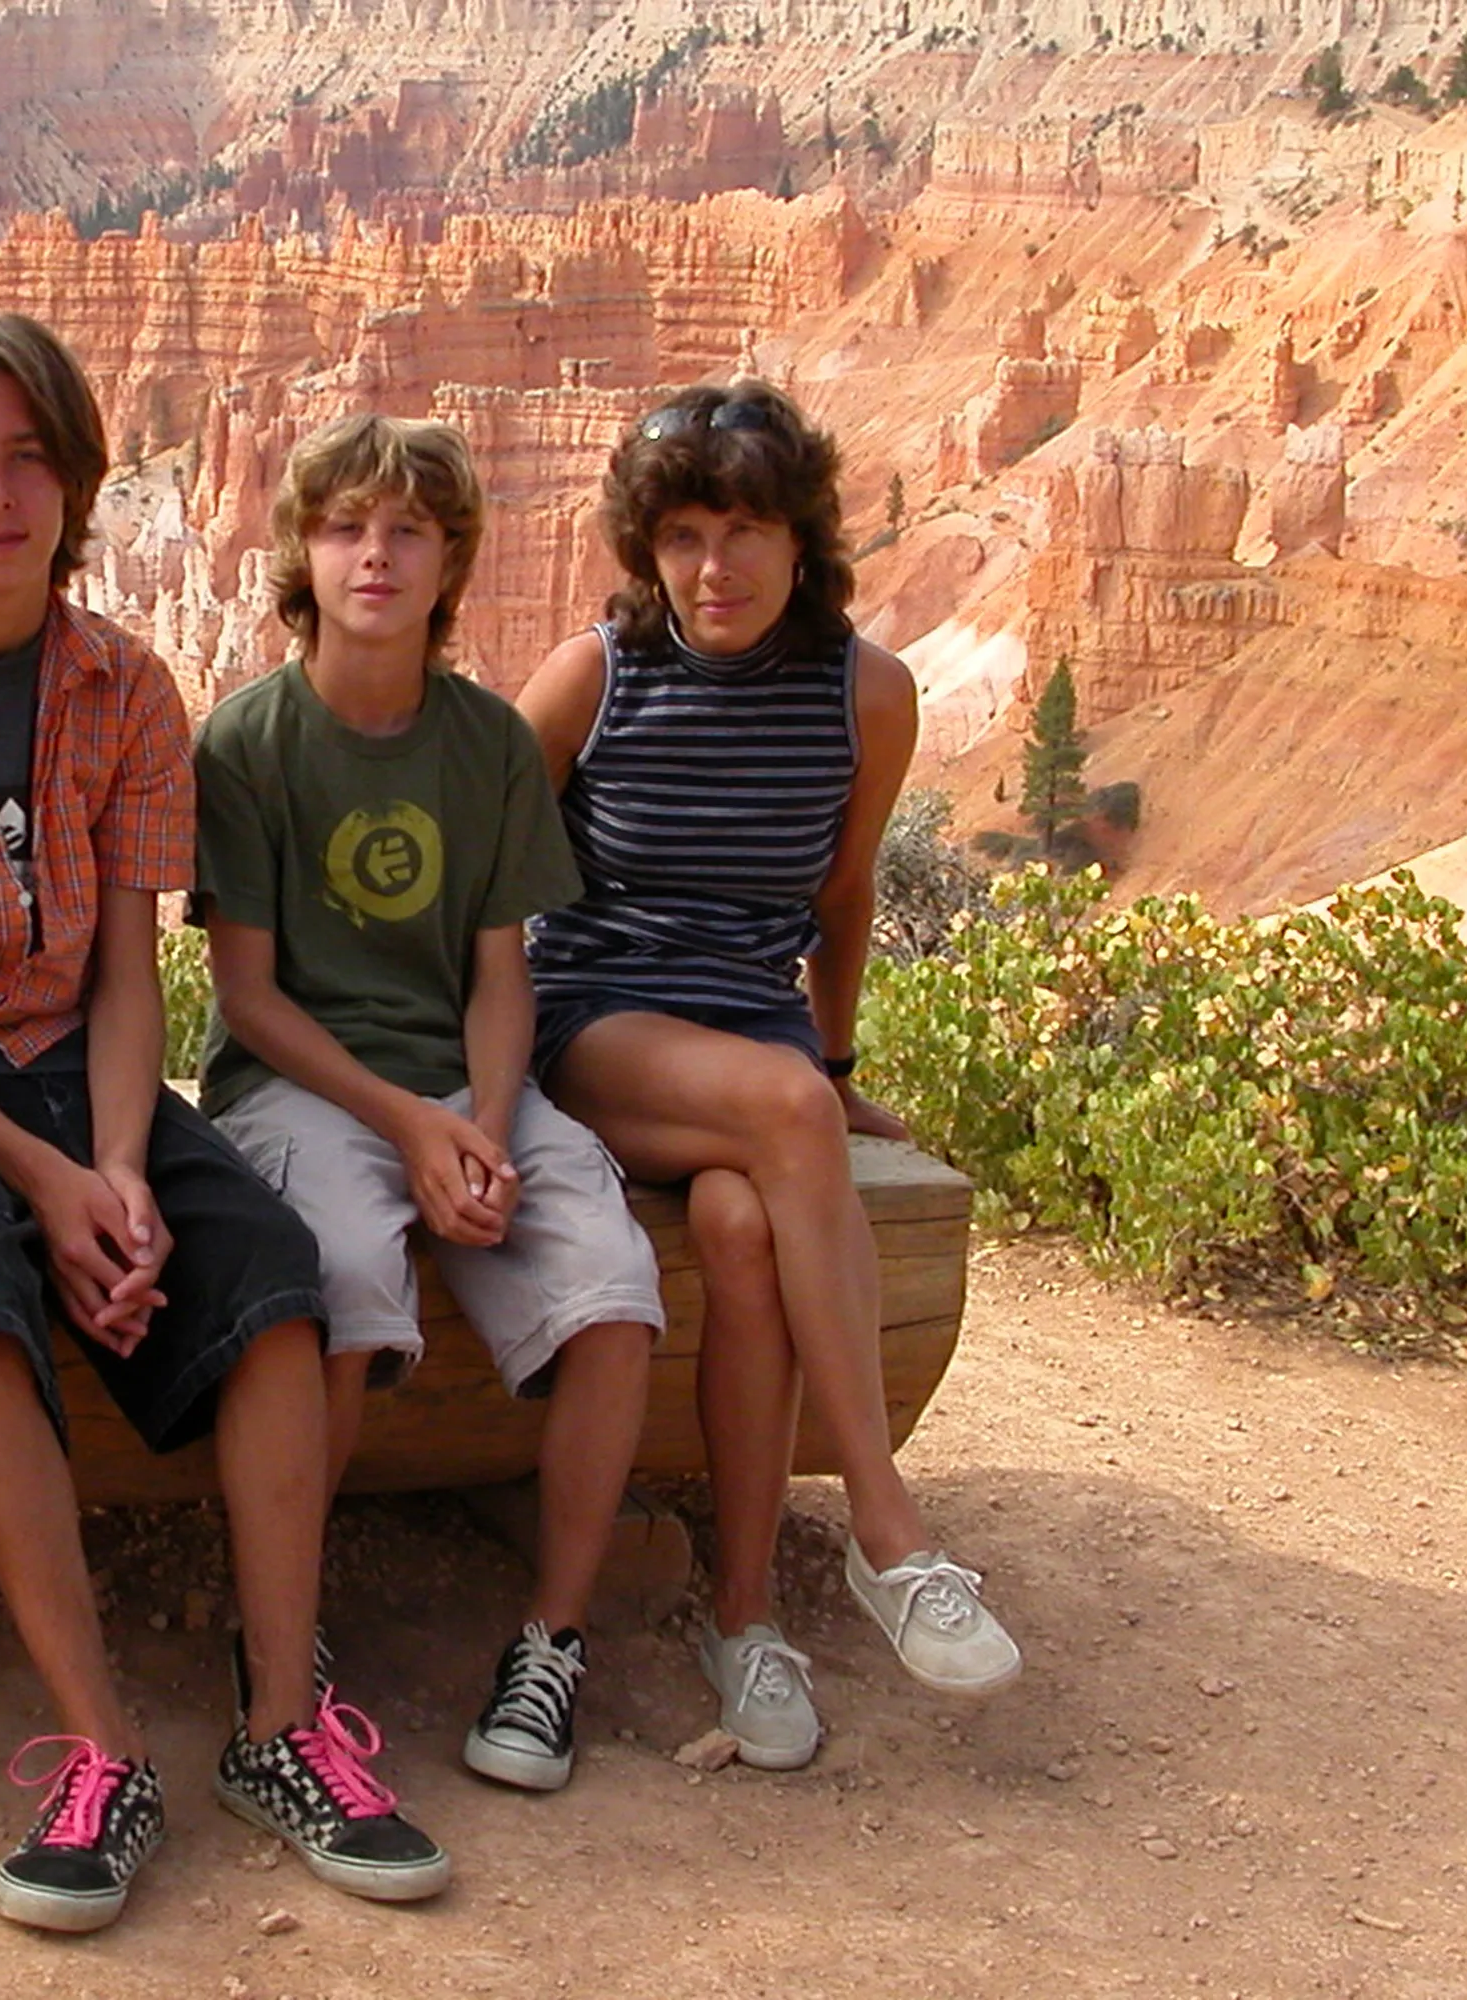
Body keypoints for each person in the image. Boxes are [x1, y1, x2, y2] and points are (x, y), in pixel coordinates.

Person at [0, 313, 448, 1933]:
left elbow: (130, 970)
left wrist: (122, 1170)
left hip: (83, 1070)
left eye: (27, 459)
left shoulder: (129, 688)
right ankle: (101, 1747)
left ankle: (282, 1722)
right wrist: (43, 1178)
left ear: (73, 480)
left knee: (272, 1273)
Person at [514, 381, 1022, 1774]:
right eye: (681, 534)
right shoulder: (592, 678)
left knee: (745, 1225)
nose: (713, 568)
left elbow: (845, 895)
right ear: (644, 546)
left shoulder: (868, 694)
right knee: (789, 1113)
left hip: (753, 1046)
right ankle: (886, 1525)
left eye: (745, 530)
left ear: (804, 542)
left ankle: (745, 1628)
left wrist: (839, 1059)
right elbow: (482, 883)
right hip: (596, 1026)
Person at [195, 414, 664, 1795]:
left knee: (617, 1283)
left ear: (452, 555)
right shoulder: (249, 743)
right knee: (334, 1281)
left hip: (470, 1086)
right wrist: (412, 1127)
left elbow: (501, 974)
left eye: (407, 529)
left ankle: (552, 1639)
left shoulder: (488, 747)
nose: (376, 556)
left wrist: (492, 1123)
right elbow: (251, 1001)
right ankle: (288, 1640)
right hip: (304, 1086)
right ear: (302, 552)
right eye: (347, 527)